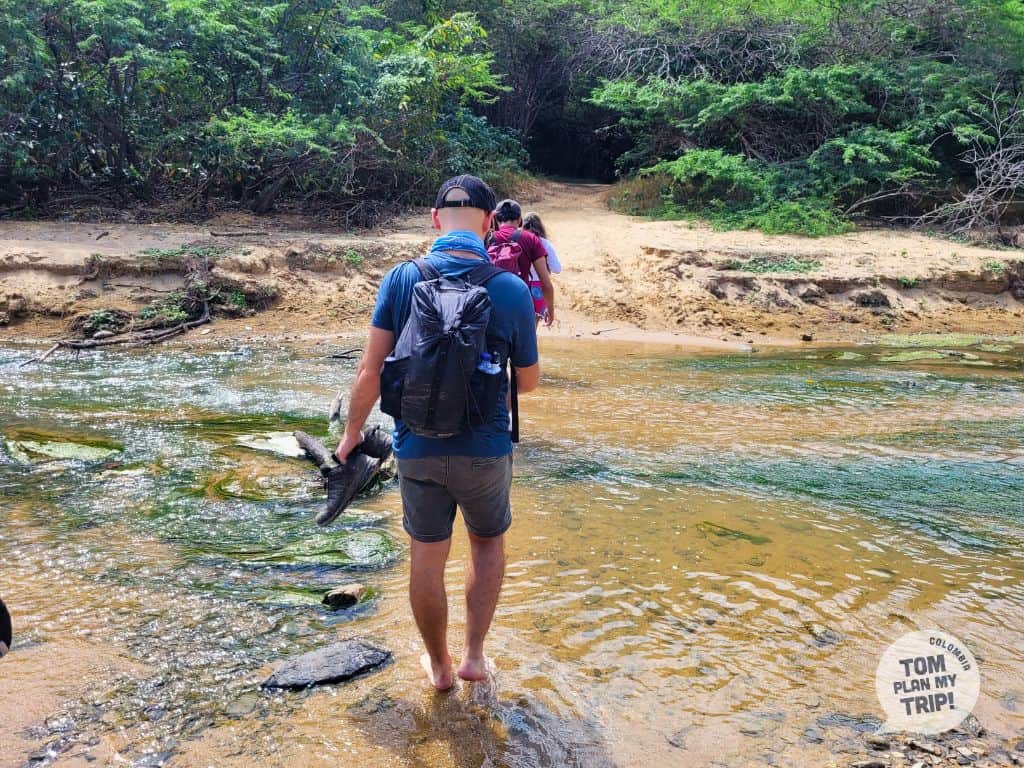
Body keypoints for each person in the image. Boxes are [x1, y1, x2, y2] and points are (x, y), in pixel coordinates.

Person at [333, 175, 540, 691]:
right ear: (491, 225)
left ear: (434, 221)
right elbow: (529, 384)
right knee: (487, 545)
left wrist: (351, 434)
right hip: (485, 450)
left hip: (417, 445)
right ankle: (473, 658)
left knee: (427, 554)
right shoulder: (510, 288)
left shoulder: (402, 279)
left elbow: (370, 369)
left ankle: (440, 669)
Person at [489, 199, 555, 326]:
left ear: (496, 219)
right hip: (520, 303)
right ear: (519, 220)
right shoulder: (530, 239)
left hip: (492, 305)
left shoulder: (487, 238)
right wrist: (550, 309)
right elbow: (546, 283)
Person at [521, 212, 561, 324]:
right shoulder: (546, 244)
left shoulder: (520, 241)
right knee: (534, 325)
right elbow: (557, 269)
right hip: (539, 287)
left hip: (521, 283)